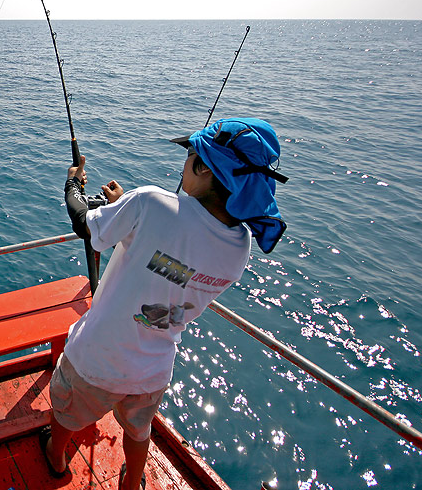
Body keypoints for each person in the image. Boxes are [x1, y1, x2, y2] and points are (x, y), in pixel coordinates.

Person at [41, 117, 288, 489]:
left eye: (191, 155)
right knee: (138, 431)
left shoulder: (149, 204)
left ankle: (56, 459)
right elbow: (176, 256)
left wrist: (73, 182)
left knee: (66, 413)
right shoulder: (240, 246)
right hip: (154, 369)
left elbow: (84, 223)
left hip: (97, 358)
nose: (184, 163)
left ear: (204, 167)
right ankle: (133, 481)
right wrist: (126, 208)